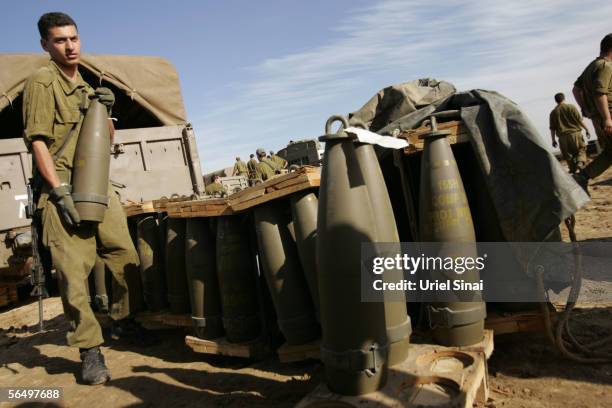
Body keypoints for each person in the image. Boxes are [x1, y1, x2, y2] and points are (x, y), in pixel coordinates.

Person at [22, 12, 145, 385]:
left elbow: (107, 142)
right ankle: (90, 351)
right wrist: (58, 193)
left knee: (124, 256)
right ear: (45, 44)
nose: (70, 46)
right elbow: (39, 142)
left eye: (73, 38)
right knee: (75, 277)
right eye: (59, 40)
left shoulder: (87, 86)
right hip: (63, 188)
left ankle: (125, 322)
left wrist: (106, 110)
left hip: (97, 186)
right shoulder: (43, 83)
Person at [572, 33, 612, 192]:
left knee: (609, 154)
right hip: (607, 115)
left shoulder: (592, 66)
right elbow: (599, 93)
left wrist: (585, 109)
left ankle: (582, 177)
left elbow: (576, 89)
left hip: (599, 118)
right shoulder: (606, 66)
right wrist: (607, 118)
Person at [549, 92, 590, 173]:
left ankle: (573, 171)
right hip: (575, 134)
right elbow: (579, 120)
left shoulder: (553, 113)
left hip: (562, 138)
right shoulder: (571, 107)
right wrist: (586, 129)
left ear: (556, 101)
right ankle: (580, 162)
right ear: (564, 98)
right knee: (581, 149)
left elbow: (552, 128)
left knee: (568, 156)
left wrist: (553, 140)